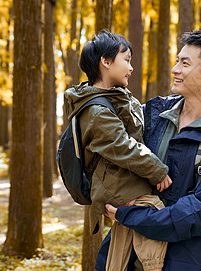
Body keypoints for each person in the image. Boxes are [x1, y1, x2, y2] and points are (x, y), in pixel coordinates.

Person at [96, 29, 201, 271]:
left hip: (184, 260)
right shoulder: (151, 114)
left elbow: (200, 213)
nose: (175, 69)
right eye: (177, 61)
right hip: (125, 254)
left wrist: (130, 215)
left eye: (185, 63)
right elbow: (107, 151)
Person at [64, 30, 172, 271]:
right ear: (106, 61)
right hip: (118, 187)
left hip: (121, 183)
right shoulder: (96, 111)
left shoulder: (113, 98)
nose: (131, 67)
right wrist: (157, 171)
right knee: (154, 212)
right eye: (126, 59)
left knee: (121, 250)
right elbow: (122, 146)